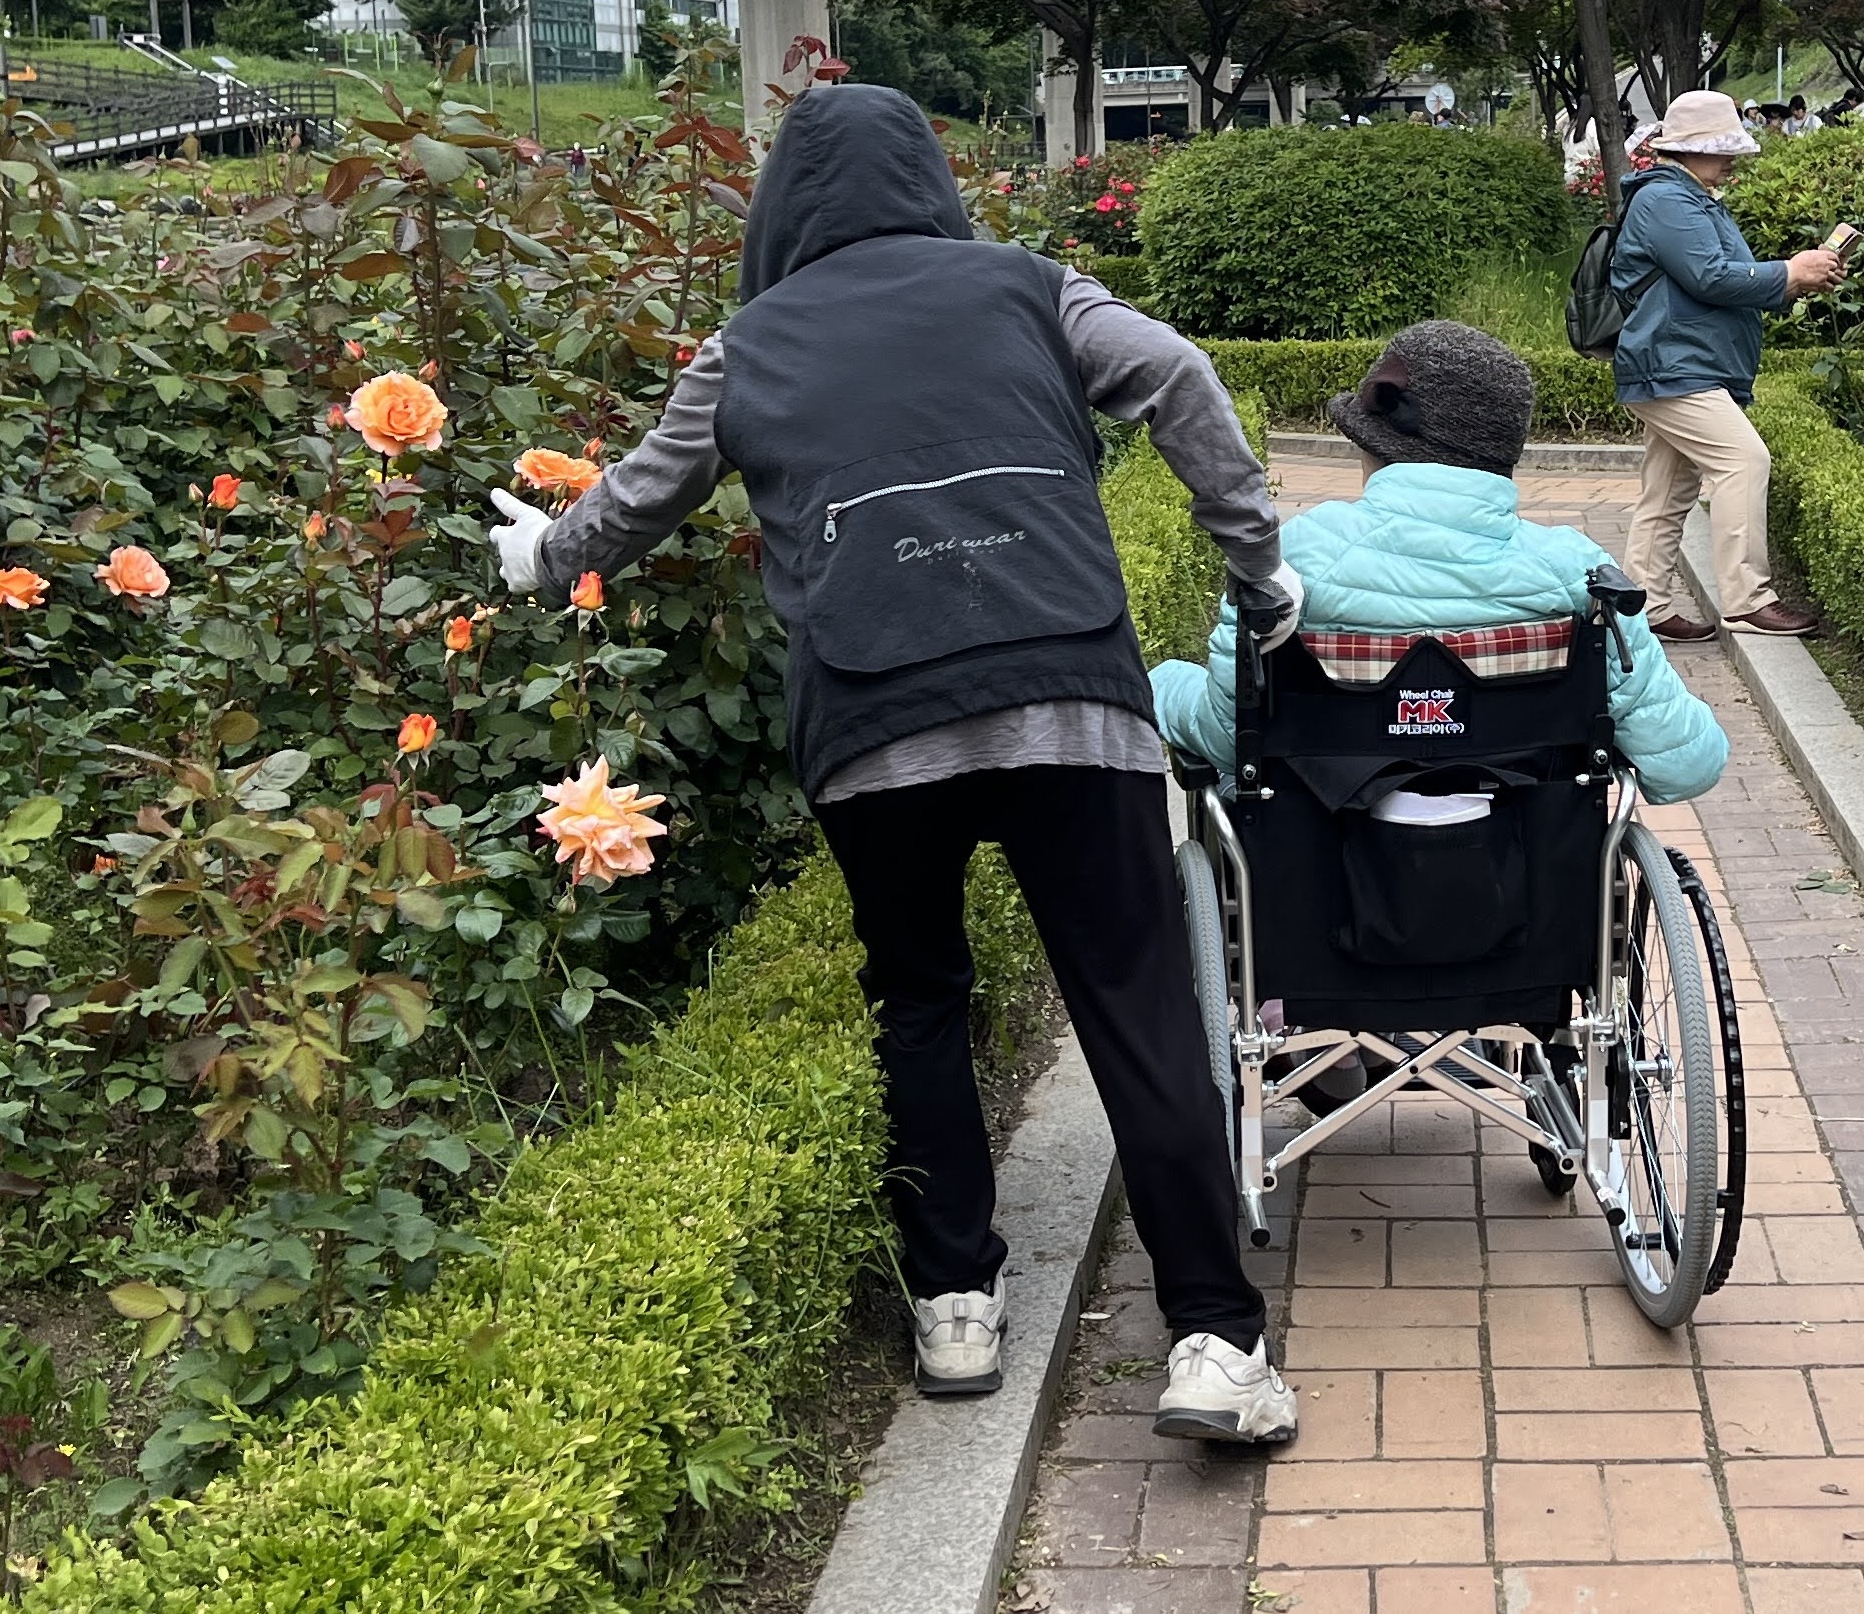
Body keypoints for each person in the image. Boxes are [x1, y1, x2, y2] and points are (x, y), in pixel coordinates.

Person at [488, 84, 1304, 1445]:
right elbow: (1177, 375)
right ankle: (1215, 1342)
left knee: (918, 1001)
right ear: (931, 178)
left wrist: (544, 557)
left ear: (782, 205)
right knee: (1137, 1006)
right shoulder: (1032, 288)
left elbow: (642, 493)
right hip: (1066, 691)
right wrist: (1255, 564)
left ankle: (956, 1303)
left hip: (876, 720)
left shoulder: (750, 343)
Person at [1152, 322, 1728, 800]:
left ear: (1377, 447)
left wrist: (1163, 687)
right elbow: (1687, 766)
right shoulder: (1576, 573)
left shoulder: (1297, 557)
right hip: (1533, 866)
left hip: (1319, 864)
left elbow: (1227, 738)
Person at [1605, 90, 1844, 642]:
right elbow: (1711, 277)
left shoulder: (1692, 197)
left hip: (1684, 361)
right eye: (1721, 148)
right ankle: (1747, 600)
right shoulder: (1667, 199)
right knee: (1744, 461)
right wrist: (1790, 272)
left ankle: (1643, 610)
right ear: (1688, 149)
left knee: (1668, 491)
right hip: (1672, 363)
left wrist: (1798, 278)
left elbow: (1727, 277)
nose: (1733, 158)